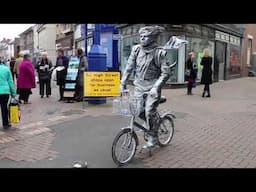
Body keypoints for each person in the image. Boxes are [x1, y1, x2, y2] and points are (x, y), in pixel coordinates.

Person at [120, 26, 171, 148]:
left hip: (152, 87)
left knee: (148, 111)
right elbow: (129, 67)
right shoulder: (136, 50)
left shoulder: (160, 52)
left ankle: (153, 136)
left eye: (145, 36)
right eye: (141, 36)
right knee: (137, 111)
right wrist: (122, 83)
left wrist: (156, 87)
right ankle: (153, 122)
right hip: (139, 86)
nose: (142, 38)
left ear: (153, 37)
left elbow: (166, 73)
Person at [0, 60, 16, 129]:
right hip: (4, 92)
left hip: (4, 91)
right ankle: (5, 123)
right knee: (4, 108)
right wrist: (13, 93)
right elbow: (10, 82)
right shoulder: (6, 69)